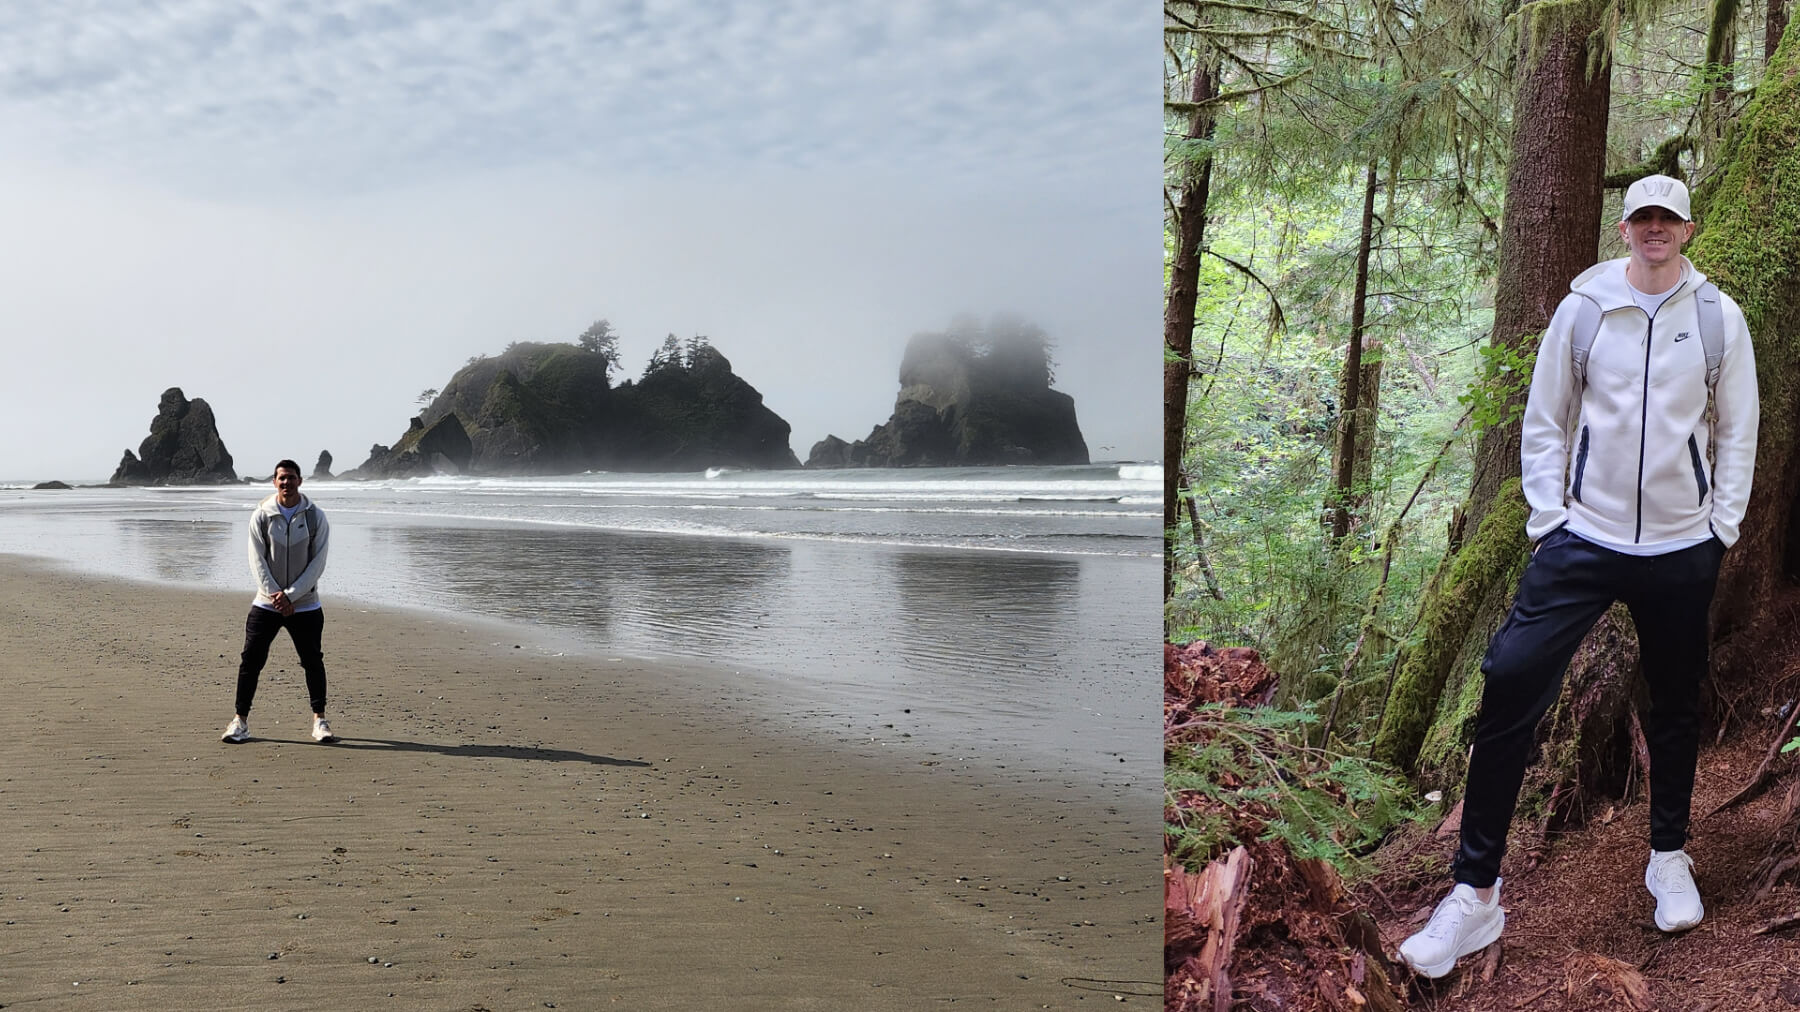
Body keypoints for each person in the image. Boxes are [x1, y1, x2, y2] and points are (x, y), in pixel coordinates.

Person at [1398, 174, 1759, 978]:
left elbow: (1737, 431)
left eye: (1667, 218)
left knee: (1673, 702)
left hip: (1679, 545)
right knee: (1509, 680)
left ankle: (1668, 855)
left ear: (1688, 229)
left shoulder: (1717, 318)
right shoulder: (1585, 309)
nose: (1654, 229)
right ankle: (1475, 896)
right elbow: (1545, 418)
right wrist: (1548, 519)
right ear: (1623, 228)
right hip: (1583, 538)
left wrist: (1719, 530)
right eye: (1642, 218)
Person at [220, 460, 337, 744]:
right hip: (266, 603)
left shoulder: (315, 517)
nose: (287, 483)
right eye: (282, 478)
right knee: (251, 660)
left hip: (305, 604)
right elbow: (256, 560)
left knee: (312, 661)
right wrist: (276, 595)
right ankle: (240, 722)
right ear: (274, 482)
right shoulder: (262, 514)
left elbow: (318, 563)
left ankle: (319, 721)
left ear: (300, 481)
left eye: (292, 478)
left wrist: (292, 595)